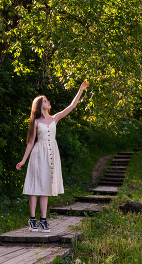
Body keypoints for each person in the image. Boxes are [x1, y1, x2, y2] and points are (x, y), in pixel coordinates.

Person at [16, 80, 89, 233]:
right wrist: (23, 160)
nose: (48, 102)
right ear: (39, 105)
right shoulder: (36, 122)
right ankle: (32, 219)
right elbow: (30, 143)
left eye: (47, 100)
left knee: (45, 187)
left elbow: (72, 106)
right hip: (38, 154)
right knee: (35, 187)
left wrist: (81, 89)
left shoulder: (55, 117)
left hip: (51, 154)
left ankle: (43, 220)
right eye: (45, 101)